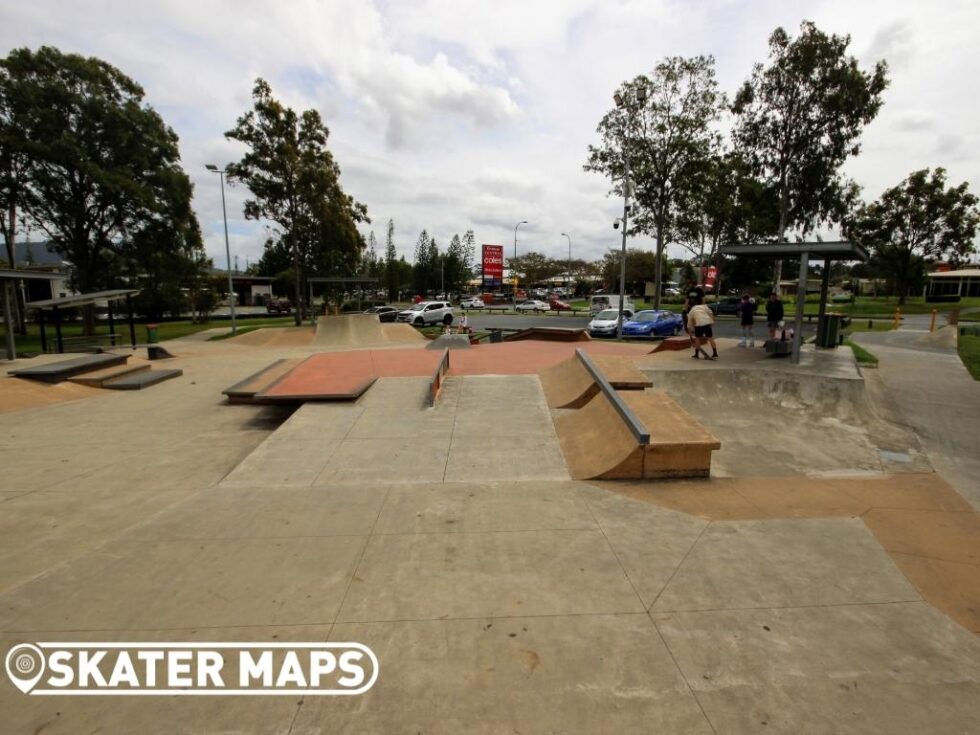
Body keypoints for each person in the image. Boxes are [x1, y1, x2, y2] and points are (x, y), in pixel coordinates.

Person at [687, 295, 718, 360]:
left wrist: (690, 334)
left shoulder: (692, 310)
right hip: (707, 323)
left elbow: (689, 323)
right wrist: (712, 321)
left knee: (697, 339)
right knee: (710, 338)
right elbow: (710, 313)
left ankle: (696, 354)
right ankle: (715, 353)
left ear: (690, 306)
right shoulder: (704, 306)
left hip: (699, 325)